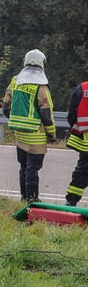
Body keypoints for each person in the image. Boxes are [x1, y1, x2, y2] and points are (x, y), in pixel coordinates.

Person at [2, 49, 56, 203]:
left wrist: (17, 122)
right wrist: (52, 135)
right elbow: (47, 115)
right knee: (33, 169)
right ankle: (32, 200)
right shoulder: (41, 87)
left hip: (19, 134)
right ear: (42, 64)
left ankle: (23, 197)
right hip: (36, 136)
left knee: (23, 166)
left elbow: (5, 108)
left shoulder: (14, 82)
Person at [64, 79, 88, 207]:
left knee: (82, 171)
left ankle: (71, 201)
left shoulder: (83, 89)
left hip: (86, 141)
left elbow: (72, 114)